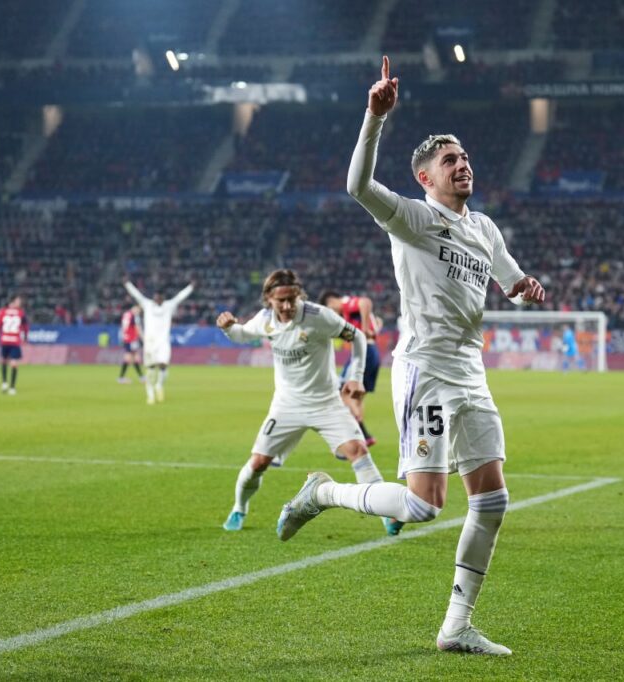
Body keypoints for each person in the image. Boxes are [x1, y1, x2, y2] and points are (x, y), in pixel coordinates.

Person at [276, 56, 545, 656]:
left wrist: (524, 286)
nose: (462, 164)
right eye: (450, 160)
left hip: (471, 373)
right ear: (425, 177)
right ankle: (322, 492)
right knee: (424, 505)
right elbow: (357, 187)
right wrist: (374, 117)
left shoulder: (485, 229)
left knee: (492, 500)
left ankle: (456, 626)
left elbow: (509, 279)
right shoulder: (414, 218)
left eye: (464, 156)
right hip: (427, 371)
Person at [216, 269, 400, 536]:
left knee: (358, 450)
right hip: (287, 405)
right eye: (281, 301)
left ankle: (387, 515)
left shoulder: (318, 316)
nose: (287, 306)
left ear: (299, 295)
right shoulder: (265, 319)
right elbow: (242, 334)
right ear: (269, 299)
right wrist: (228, 328)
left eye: (292, 299)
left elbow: (358, 336)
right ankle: (239, 508)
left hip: (326, 402)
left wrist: (356, 377)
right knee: (258, 463)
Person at [318, 290, 381, 446]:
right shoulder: (347, 315)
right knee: (356, 397)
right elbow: (377, 321)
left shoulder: (345, 303)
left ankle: (360, 435)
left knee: (343, 392)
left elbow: (365, 301)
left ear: (331, 302)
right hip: (371, 352)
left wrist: (364, 329)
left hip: (364, 353)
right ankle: (362, 437)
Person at [123, 278, 194, 405]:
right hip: (150, 342)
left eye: (160, 298)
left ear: (163, 298)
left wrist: (191, 287)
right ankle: (150, 395)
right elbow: (136, 295)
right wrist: (128, 284)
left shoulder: (168, 305)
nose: (158, 300)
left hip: (163, 342)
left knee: (163, 365)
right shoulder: (147, 304)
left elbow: (180, 297)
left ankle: (159, 385)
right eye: (156, 298)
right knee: (150, 369)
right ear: (154, 297)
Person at [0, 295, 28, 396]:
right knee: (14, 363)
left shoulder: (2, 312)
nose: (20, 303)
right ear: (13, 302)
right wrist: (25, 337)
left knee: (3, 360)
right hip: (15, 341)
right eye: (18, 301)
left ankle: (4, 383)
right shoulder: (21, 313)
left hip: (5, 340)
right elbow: (25, 326)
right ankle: (12, 388)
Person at [117, 304, 144, 384]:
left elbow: (123, 327)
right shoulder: (134, 316)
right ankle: (121, 378)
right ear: (134, 308)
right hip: (131, 339)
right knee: (129, 358)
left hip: (127, 338)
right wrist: (143, 339)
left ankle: (141, 377)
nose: (138, 312)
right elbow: (137, 328)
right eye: (138, 310)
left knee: (135, 357)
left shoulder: (126, 314)